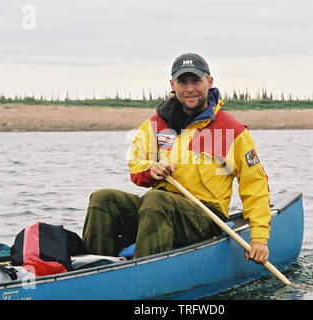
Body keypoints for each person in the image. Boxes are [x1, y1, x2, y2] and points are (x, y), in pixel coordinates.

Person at [82, 53, 271, 264]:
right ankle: (92, 270)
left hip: (206, 216)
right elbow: (136, 166)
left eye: (196, 80)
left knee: (156, 201)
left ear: (209, 82)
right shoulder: (156, 123)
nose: (189, 88)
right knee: (103, 198)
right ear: (173, 84)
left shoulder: (232, 130)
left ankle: (144, 278)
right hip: (156, 208)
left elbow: (255, 185)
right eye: (183, 81)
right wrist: (151, 169)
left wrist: (259, 239)